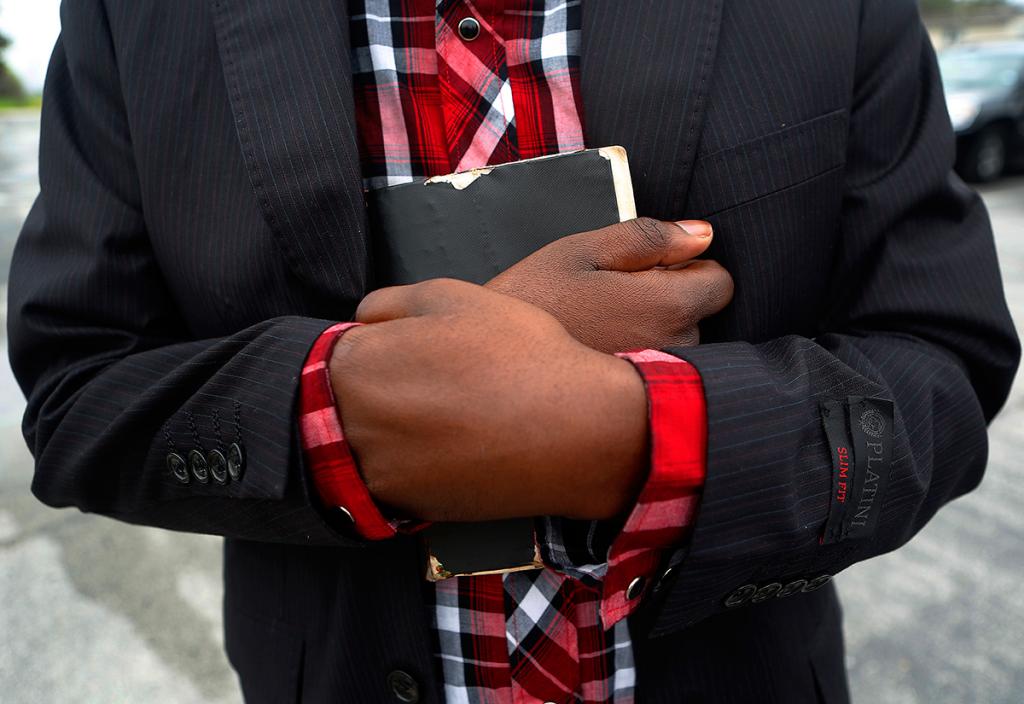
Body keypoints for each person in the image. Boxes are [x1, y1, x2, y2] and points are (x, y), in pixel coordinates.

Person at [8, 1, 1019, 702]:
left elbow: (939, 356)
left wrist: (638, 433)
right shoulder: (130, 19)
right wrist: (342, 410)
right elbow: (77, 393)